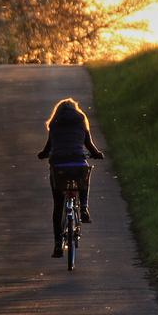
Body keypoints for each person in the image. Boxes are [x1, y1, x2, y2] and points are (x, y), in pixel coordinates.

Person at [37, 98, 104, 257]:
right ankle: (83, 207)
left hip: (58, 166)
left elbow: (49, 147)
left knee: (58, 204)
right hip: (77, 164)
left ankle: (57, 244)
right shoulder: (81, 120)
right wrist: (97, 154)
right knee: (84, 179)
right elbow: (89, 144)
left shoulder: (54, 123)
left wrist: (42, 155)